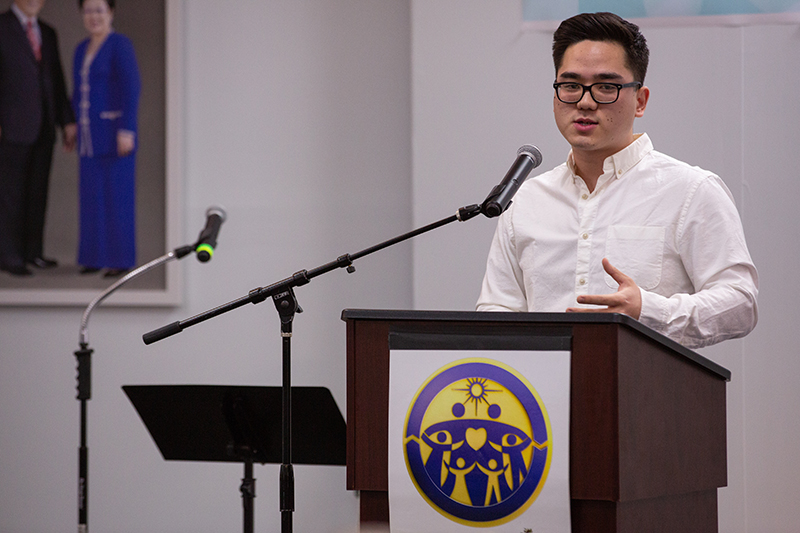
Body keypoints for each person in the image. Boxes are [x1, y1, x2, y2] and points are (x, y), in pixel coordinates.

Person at [476, 12, 758, 349]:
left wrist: (648, 310)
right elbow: (497, 310)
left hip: (649, 394)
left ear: (640, 101)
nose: (584, 101)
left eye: (606, 87)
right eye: (570, 85)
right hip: (540, 398)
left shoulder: (690, 190)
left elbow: (740, 303)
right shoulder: (526, 200)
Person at [0, 0, 76, 276]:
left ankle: (33, 252)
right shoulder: (2, 27)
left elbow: (56, 80)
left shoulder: (48, 31)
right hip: (10, 127)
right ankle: (9, 255)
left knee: (37, 193)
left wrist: (67, 120)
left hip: (44, 126)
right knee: (10, 194)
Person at [72, 0, 140, 277]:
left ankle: (120, 260)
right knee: (91, 199)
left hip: (115, 137)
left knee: (116, 198)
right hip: (89, 137)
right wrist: (71, 126)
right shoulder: (80, 49)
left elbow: (131, 88)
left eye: (99, 10)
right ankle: (94, 257)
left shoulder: (120, 45)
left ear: (110, 12)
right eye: (88, 11)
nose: (94, 16)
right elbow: (77, 92)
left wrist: (127, 130)